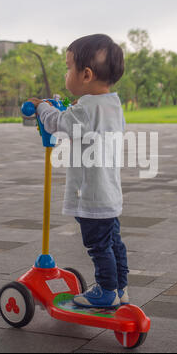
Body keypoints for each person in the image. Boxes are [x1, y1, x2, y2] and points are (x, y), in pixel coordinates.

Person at [28, 34, 129, 308]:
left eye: (68, 66)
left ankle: (106, 291)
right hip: (109, 194)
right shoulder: (111, 104)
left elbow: (58, 123)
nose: (66, 72)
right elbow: (80, 124)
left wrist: (42, 107)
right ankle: (120, 287)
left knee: (98, 246)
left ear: (85, 74)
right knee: (114, 243)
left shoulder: (85, 108)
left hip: (91, 197)